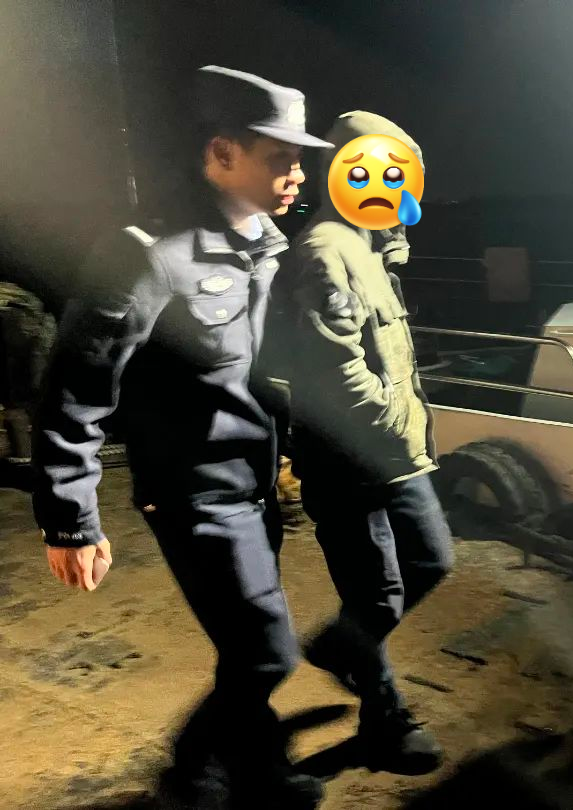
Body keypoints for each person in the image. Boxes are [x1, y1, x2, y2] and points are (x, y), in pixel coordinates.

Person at [32, 65, 333, 809]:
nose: (298, 174)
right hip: (191, 493)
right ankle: (189, 771)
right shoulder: (145, 254)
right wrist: (70, 518)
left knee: (245, 645)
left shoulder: (265, 242)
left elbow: (261, 371)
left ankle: (256, 769)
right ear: (221, 153)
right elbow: (75, 387)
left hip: (255, 483)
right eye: (280, 157)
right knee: (266, 652)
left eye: (300, 159)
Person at [278, 110, 453, 774]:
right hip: (347, 458)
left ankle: (341, 648)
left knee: (430, 560)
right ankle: (385, 721)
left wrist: (392, 238)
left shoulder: (368, 247)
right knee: (374, 593)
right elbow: (340, 370)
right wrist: (390, 428)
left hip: (392, 452)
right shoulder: (324, 251)